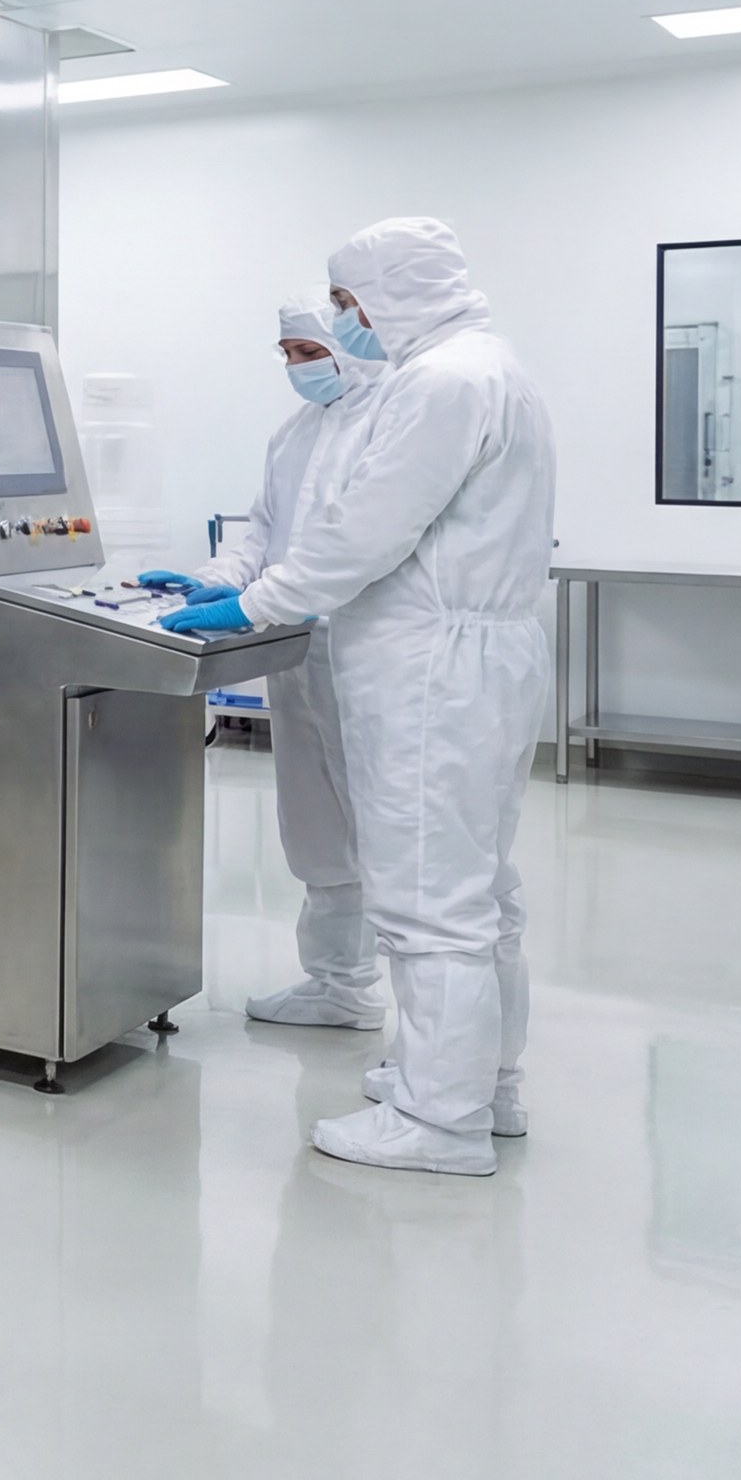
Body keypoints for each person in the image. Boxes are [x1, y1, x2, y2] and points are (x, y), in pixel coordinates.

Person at [161, 220, 555, 1175]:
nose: (343, 320)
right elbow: (306, 525)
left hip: (432, 666)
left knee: (432, 902)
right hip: (466, 657)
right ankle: (479, 1086)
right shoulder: (485, 368)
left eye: (346, 302)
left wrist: (254, 604)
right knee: (474, 891)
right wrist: (245, 584)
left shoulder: (441, 383)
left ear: (394, 289)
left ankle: (438, 1119)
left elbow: (360, 533)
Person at [135, 300, 386, 1029]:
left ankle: (414, 1014)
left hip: (367, 649)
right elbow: (264, 534)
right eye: (285, 353)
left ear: (346, 346)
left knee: (382, 824)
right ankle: (338, 981)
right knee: (315, 817)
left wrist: (257, 601)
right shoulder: (295, 434)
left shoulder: (391, 428)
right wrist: (219, 579)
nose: (295, 368)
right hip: (295, 645)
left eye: (307, 350)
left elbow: (349, 553)